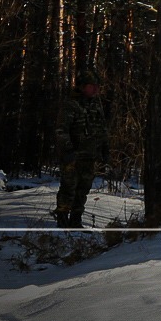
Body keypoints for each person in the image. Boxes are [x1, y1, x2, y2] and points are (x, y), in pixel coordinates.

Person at [54, 71, 108, 228]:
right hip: (73, 156)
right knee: (68, 188)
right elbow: (61, 130)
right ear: (83, 87)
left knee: (83, 190)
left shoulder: (96, 105)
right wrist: (68, 150)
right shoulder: (71, 104)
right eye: (93, 86)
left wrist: (105, 150)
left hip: (89, 156)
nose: (96, 89)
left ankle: (76, 221)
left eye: (97, 86)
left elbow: (102, 129)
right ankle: (62, 221)